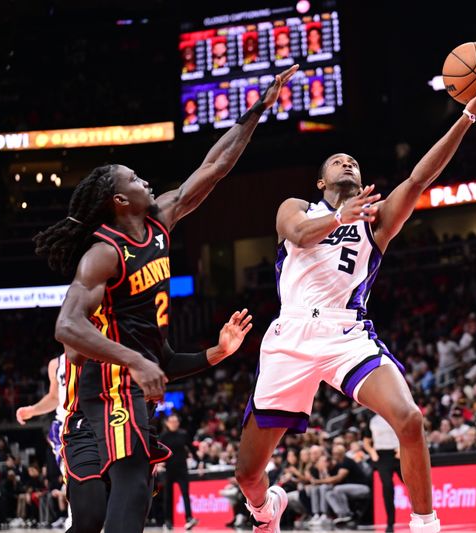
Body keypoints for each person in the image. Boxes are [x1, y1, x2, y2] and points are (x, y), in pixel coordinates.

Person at [233, 70, 476, 533]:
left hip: (346, 334)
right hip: (289, 337)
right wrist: (339, 215)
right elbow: (297, 234)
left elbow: (420, 177)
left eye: (352, 161)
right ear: (320, 182)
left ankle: (425, 523)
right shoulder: (297, 208)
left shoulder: (374, 224)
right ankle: (266, 511)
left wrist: (467, 115)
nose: (346, 163)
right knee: (247, 473)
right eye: (336, 161)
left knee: (411, 419)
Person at [33, 65, 298, 533]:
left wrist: (257, 109)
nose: (145, 182)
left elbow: (213, 168)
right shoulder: (102, 255)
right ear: (119, 200)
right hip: (99, 392)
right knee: (116, 501)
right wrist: (133, 361)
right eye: (134, 179)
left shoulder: (160, 222)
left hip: (125, 391)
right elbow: (66, 328)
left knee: (99, 514)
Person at [16, 353, 72, 529]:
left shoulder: (96, 354)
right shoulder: (56, 363)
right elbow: (54, 397)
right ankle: (75, 520)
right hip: (67, 428)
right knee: (75, 477)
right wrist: (33, 410)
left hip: (95, 422)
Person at [160, 413, 197, 530]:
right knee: (168, 496)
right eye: (172, 421)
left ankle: (189, 518)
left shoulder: (183, 434)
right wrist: (158, 463)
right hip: (169, 469)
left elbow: (191, 448)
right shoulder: (163, 436)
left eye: (176, 421)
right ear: (167, 423)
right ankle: (168, 520)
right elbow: (158, 451)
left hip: (182, 468)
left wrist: (199, 461)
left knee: (185, 493)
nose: (174, 423)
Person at [364, 414, 400, 533]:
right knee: (387, 487)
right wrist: (372, 452)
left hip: (398, 453)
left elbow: (405, 432)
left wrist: (401, 448)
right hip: (382, 456)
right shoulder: (372, 420)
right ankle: (390, 523)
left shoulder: (395, 415)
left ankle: (421, 515)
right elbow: (366, 441)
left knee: (411, 484)